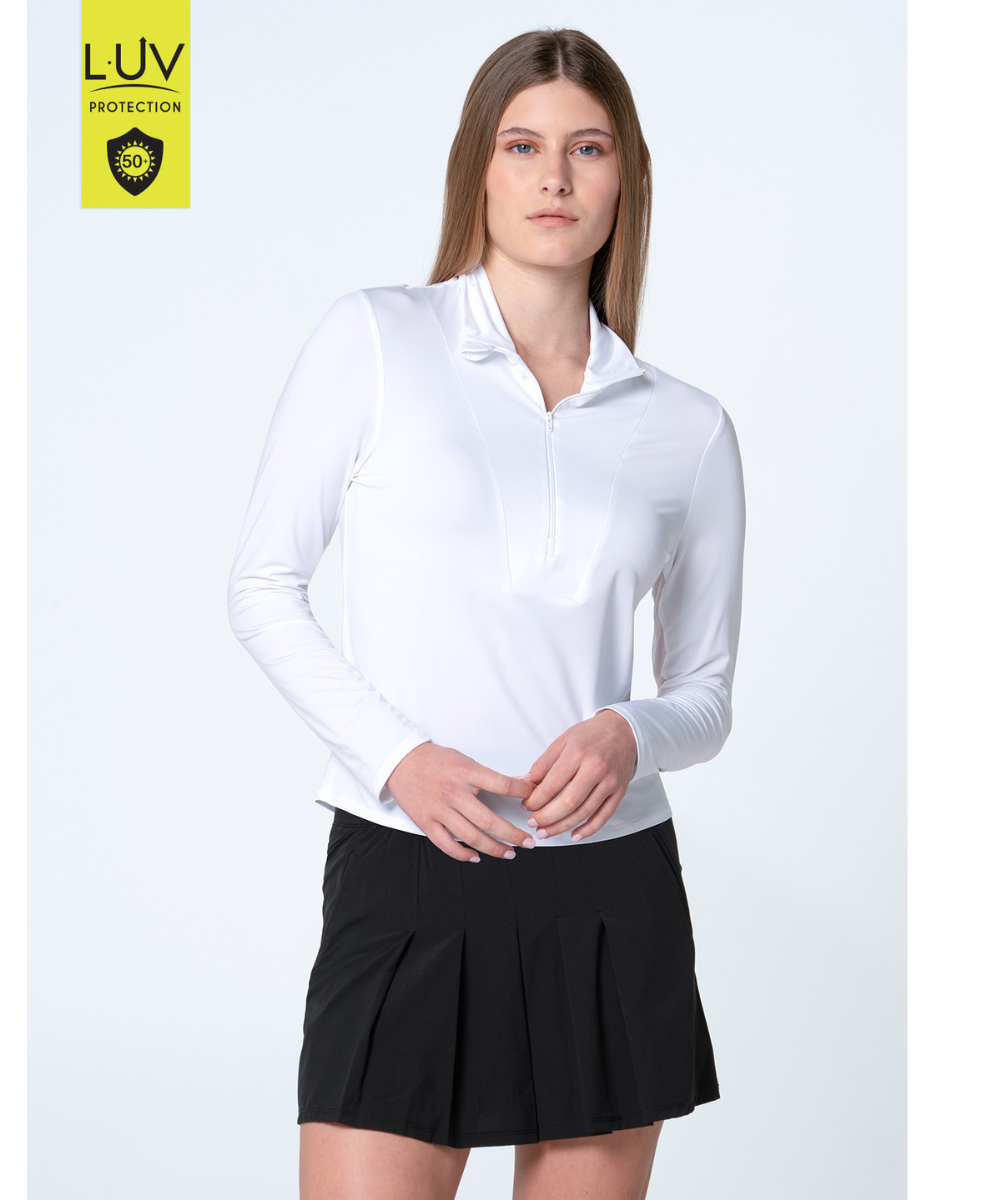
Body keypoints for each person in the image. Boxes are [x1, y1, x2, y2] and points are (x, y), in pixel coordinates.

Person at [227, 26, 746, 1200]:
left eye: (587, 148)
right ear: (480, 165)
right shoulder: (377, 340)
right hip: (407, 866)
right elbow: (261, 585)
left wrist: (629, 732)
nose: (554, 177)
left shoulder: (689, 428)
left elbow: (705, 694)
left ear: (627, 177)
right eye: (523, 145)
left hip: (608, 892)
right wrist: (399, 759)